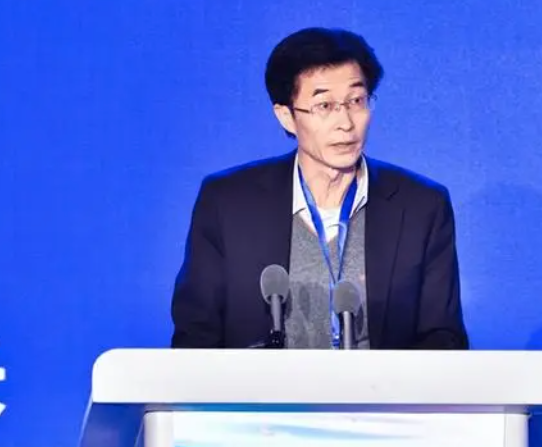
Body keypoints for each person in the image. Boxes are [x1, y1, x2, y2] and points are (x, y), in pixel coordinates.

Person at [170, 27, 468, 350]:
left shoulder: (422, 207)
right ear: (286, 116)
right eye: (324, 106)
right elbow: (195, 339)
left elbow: (443, 340)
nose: (346, 123)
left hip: (379, 386)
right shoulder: (228, 204)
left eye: (356, 101)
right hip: (261, 385)